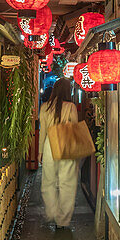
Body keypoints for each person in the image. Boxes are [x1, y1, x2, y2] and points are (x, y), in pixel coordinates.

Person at [38, 78, 80, 228]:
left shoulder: (44, 107)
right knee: (67, 182)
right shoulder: (71, 107)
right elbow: (75, 130)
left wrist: (40, 152)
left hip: (50, 142)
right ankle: (63, 220)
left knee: (48, 181)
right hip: (66, 142)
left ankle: (51, 211)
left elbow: (42, 131)